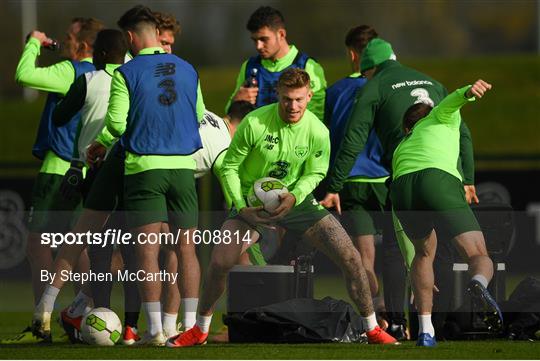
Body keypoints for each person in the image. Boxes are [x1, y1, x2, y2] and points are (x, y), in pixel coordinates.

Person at [166, 68, 397, 347]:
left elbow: (316, 172)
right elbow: (229, 166)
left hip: (297, 203)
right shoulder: (254, 123)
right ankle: (200, 330)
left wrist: (295, 195)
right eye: (287, 99)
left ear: (309, 96)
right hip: (251, 205)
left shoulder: (318, 131)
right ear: (277, 95)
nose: (293, 106)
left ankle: (372, 329)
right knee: (220, 260)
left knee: (351, 256)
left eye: (299, 99)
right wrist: (240, 206)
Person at [102, 5, 205, 346]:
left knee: (147, 252)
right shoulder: (189, 69)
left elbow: (116, 124)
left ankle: (154, 331)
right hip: (184, 169)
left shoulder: (126, 73)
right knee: (186, 249)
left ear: (131, 37)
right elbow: (200, 113)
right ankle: (192, 328)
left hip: (145, 168)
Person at [0, 17, 104, 345]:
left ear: (84, 46)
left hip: (59, 168)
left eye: (70, 37)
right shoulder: (105, 75)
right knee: (80, 246)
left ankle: (40, 321)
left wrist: (32, 41)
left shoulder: (70, 72)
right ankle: (83, 317)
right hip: (88, 169)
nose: (63, 41)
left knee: (38, 245)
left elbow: (23, 74)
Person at [390, 80, 502, 347]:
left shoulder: (400, 146)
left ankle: (425, 331)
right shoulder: (440, 116)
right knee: (478, 254)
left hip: (401, 188)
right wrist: (468, 90)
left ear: (407, 127)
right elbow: (452, 99)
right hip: (436, 181)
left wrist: (408, 264)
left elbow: (397, 221)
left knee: (423, 254)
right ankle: (477, 283)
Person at [321, 28, 410, 340]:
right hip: (386, 179)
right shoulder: (390, 88)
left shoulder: (337, 91)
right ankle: (395, 314)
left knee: (363, 259)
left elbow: (329, 134)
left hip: (352, 182)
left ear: (352, 54)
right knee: (396, 253)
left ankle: (374, 318)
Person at [225, 6, 326, 120]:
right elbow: (230, 118)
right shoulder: (249, 66)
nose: (258, 46)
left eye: (264, 39)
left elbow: (317, 117)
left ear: (281, 34)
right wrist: (236, 100)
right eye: (254, 40)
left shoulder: (308, 66)